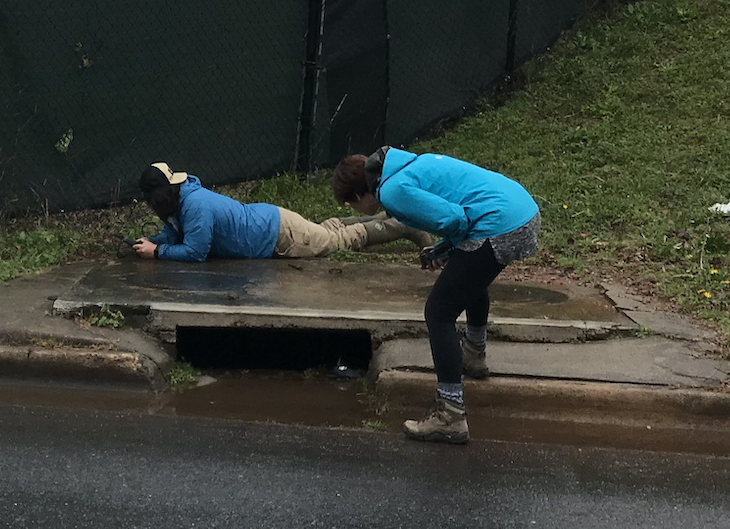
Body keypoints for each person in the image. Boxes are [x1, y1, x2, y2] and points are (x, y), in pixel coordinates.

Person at [332, 148, 540, 445]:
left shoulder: (391, 191)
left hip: (499, 223)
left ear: (357, 195)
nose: (355, 209)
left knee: (438, 312)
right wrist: (444, 249)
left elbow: (455, 221)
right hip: (521, 211)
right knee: (469, 278)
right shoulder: (407, 166)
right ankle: (473, 354)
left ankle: (450, 415)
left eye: (350, 204)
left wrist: (447, 248)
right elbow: (458, 218)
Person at [131, 162, 429, 261]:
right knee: (325, 231)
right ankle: (382, 217)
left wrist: (157, 252)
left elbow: (196, 251)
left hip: (278, 235)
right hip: (273, 224)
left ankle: (404, 227)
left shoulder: (195, 205)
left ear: (161, 195)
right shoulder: (181, 200)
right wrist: (154, 241)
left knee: (336, 241)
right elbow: (176, 234)